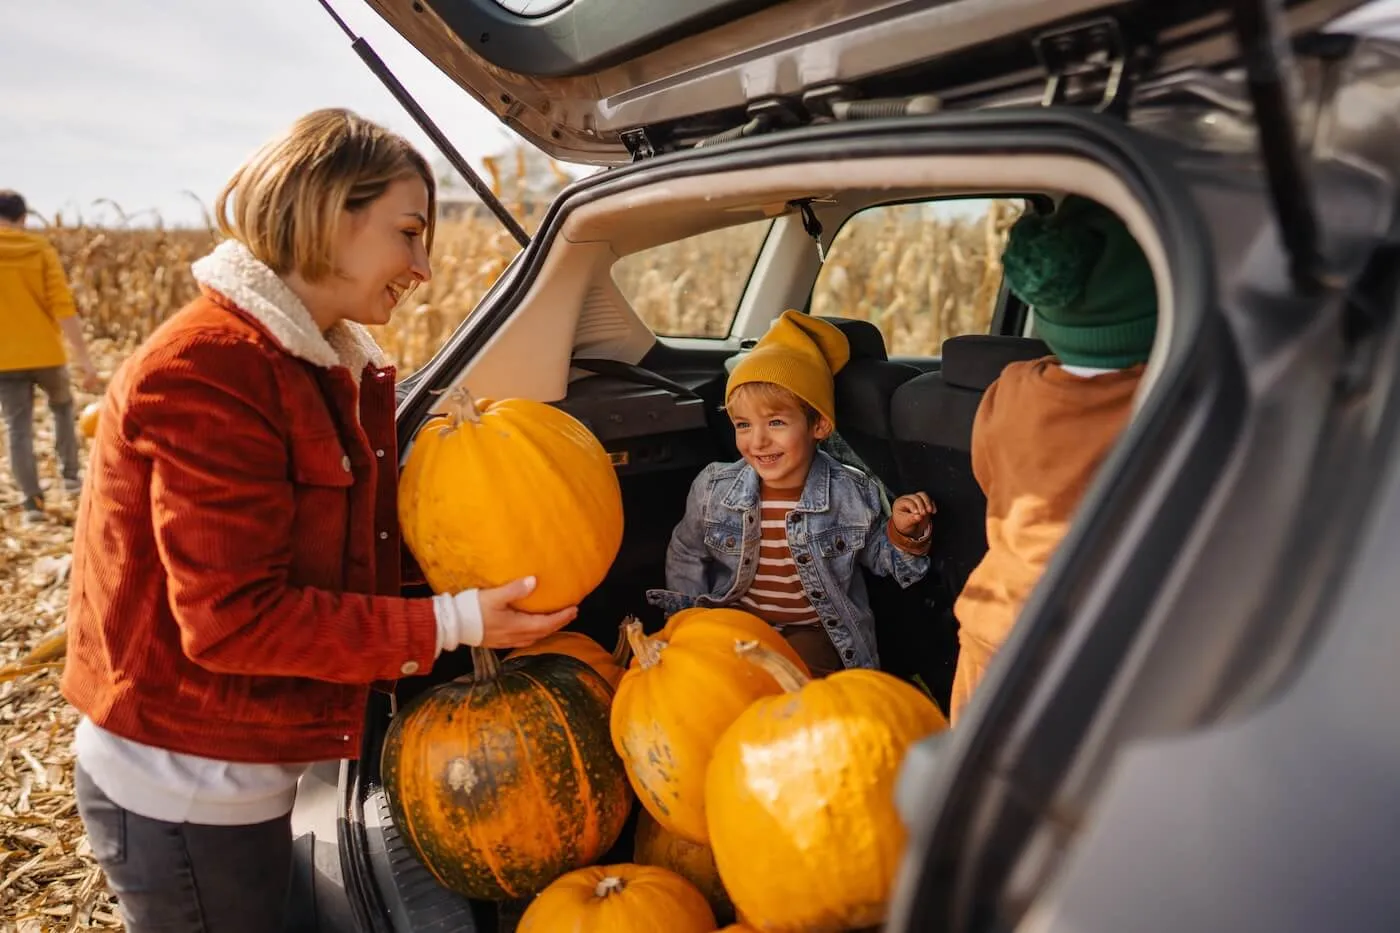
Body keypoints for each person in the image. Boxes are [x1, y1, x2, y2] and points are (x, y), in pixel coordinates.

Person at [61, 109, 578, 933]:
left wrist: (479, 568)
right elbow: (234, 620)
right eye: (408, 232)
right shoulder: (209, 371)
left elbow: (341, 554)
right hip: (184, 790)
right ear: (329, 210)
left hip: (245, 774)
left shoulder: (318, 362)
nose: (425, 269)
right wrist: (455, 619)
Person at [949, 194, 1158, 724]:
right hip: (1085, 654)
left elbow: (989, 476)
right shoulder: (1163, 406)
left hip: (989, 632)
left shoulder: (1009, 391)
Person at [648, 310, 935, 676]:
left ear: (819, 424)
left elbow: (882, 560)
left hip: (814, 630)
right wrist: (686, 622)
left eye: (776, 423)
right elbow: (688, 550)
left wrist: (903, 531)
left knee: (788, 682)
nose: (758, 440)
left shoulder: (849, 491)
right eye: (743, 425)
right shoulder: (714, 488)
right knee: (695, 682)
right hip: (736, 622)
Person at [0, 189, 101, 523]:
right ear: (23, 218)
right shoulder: (40, 250)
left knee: (18, 428)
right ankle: (72, 479)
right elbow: (62, 306)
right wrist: (85, 361)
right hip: (46, 352)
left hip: (5, 359)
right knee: (62, 410)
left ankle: (32, 505)